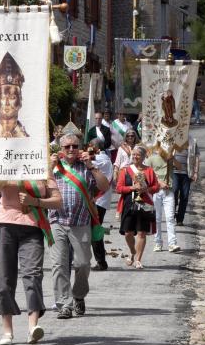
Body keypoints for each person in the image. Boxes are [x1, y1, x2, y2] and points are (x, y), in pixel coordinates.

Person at [0, 177, 61, 345]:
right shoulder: (5, 166)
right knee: (5, 277)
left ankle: (33, 327)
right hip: (4, 224)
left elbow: (58, 201)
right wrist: (10, 173)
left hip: (33, 227)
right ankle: (7, 331)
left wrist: (35, 201)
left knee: (33, 274)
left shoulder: (42, 169)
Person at [50, 133, 111, 317]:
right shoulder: (53, 168)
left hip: (81, 221)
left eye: (74, 146)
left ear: (79, 148)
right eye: (67, 146)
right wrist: (48, 166)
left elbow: (104, 186)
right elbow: (39, 187)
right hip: (57, 220)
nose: (71, 150)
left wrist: (91, 166)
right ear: (60, 149)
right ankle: (64, 304)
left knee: (83, 264)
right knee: (59, 265)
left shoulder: (85, 167)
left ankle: (78, 295)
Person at [116, 145, 161, 268]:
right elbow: (119, 188)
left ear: (143, 156)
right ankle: (132, 252)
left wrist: (147, 188)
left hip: (145, 204)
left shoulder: (149, 171)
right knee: (128, 233)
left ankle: (137, 260)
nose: (135, 157)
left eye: (138, 155)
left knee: (141, 233)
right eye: (133, 154)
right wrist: (132, 188)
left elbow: (156, 187)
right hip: (129, 204)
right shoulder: (125, 170)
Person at [146, 146, 179, 252]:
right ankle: (158, 243)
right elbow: (147, 174)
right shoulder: (151, 158)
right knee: (157, 218)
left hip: (169, 191)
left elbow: (180, 167)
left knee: (170, 217)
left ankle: (172, 243)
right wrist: (159, 183)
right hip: (156, 191)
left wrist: (173, 159)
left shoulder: (170, 157)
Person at [0, 52, 29, 138]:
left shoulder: (27, 140)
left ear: (20, 100)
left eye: (12, 97)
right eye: (3, 97)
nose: (7, 103)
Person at [87, 138, 114, 271]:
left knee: (94, 230)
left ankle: (101, 262)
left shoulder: (102, 159)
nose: (88, 149)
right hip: (96, 200)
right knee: (92, 229)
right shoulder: (98, 158)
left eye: (90, 147)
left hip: (99, 200)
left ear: (95, 148)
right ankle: (99, 260)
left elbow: (89, 161)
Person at [173, 135, 200, 225]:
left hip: (187, 172)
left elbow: (196, 157)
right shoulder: (173, 137)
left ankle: (180, 219)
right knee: (174, 191)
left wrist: (196, 172)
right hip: (174, 171)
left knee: (184, 196)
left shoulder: (193, 140)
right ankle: (172, 213)